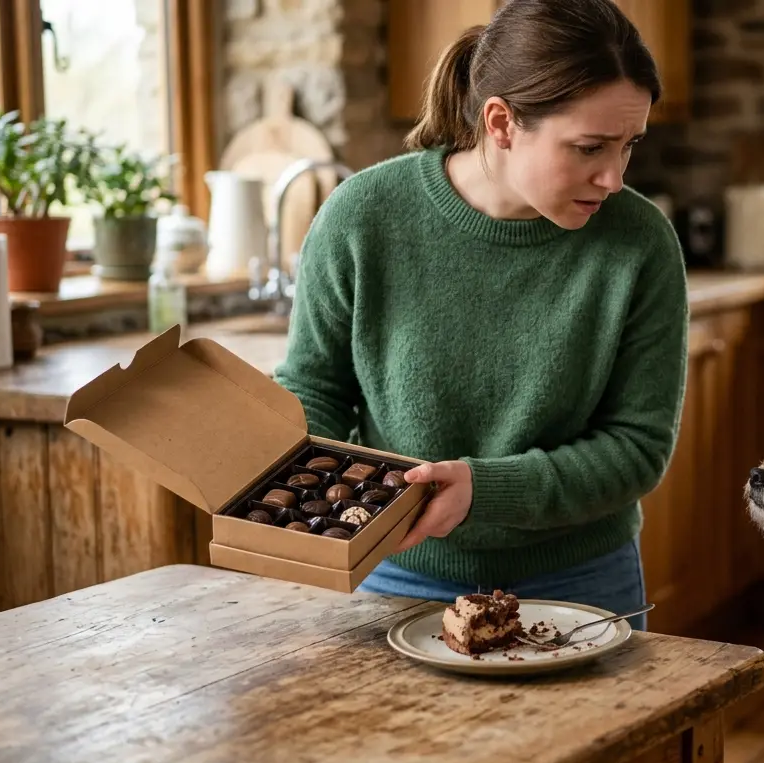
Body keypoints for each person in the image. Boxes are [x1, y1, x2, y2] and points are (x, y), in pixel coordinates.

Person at [272, 0, 688, 632]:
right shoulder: (363, 216)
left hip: (581, 578)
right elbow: (315, 389)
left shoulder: (641, 243)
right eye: (589, 148)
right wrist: (280, 476)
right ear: (501, 122)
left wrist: (483, 489)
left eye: (629, 146)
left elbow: (637, 448)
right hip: (394, 565)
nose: (613, 176)